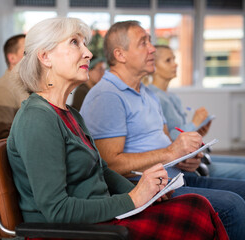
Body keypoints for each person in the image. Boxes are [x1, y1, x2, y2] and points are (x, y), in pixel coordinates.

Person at [6, 17, 227, 240]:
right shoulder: (37, 118)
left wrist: (145, 191)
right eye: (75, 43)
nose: (88, 53)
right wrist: (133, 199)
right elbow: (57, 211)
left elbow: (101, 170)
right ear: (45, 57)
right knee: (196, 213)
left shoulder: (69, 114)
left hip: (102, 218)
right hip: (78, 230)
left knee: (197, 204)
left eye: (84, 44)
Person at [80, 20, 245, 239]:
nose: (152, 48)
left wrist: (185, 157)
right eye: (143, 43)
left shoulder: (148, 93)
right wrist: (170, 153)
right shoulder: (107, 96)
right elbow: (110, 164)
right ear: (121, 55)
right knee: (232, 205)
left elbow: (167, 141)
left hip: (176, 176)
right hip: (145, 187)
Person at [149, 45, 245, 180]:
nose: (175, 64)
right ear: (153, 66)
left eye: (174, 59)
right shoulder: (153, 97)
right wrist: (194, 123)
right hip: (181, 164)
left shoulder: (172, 96)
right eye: (168, 60)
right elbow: (169, 138)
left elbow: (180, 131)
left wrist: (199, 131)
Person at [0, 34, 29, 140]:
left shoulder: (32, 86)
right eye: (27, 52)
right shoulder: (0, 90)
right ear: (12, 58)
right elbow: (1, 139)